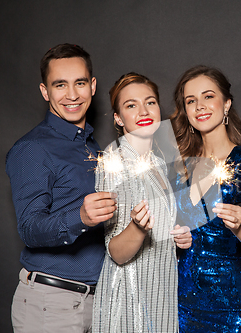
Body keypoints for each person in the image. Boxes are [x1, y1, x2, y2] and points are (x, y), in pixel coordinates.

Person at [6, 43, 117, 333]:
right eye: (60, 85)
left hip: (97, 302)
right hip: (51, 305)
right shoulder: (32, 148)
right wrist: (80, 216)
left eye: (79, 83)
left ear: (92, 86)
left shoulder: (94, 148)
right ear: (45, 91)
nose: (71, 95)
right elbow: (29, 228)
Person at [170, 65, 241, 332]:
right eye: (191, 101)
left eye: (208, 96)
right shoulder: (178, 166)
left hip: (231, 303)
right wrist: (175, 238)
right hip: (183, 300)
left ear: (226, 104)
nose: (200, 106)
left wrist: (240, 225)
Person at [92, 72, 192, 332]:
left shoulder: (159, 163)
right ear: (118, 118)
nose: (143, 110)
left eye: (150, 102)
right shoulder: (113, 163)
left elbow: (160, 233)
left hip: (160, 296)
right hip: (129, 302)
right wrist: (137, 228)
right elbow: (116, 252)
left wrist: (179, 238)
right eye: (131, 105)